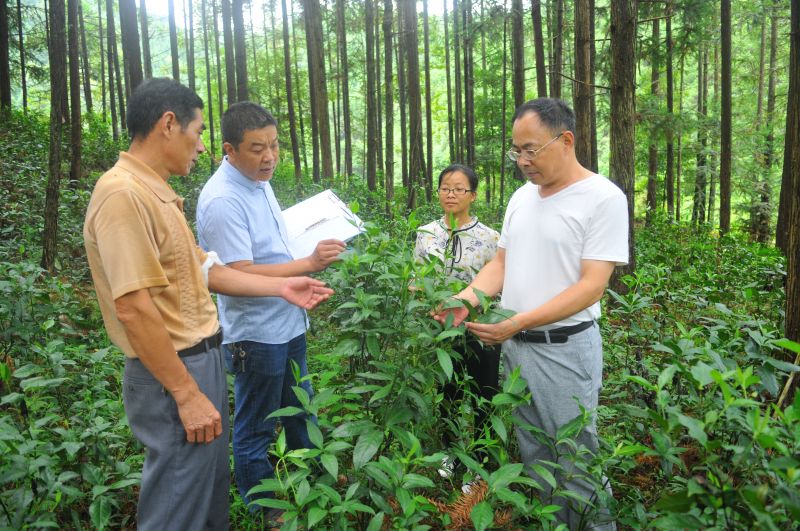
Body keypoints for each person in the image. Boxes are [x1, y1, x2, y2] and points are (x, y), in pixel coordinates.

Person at [83, 78, 333, 531]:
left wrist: (282, 287)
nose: (201, 147)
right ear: (168, 124)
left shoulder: (155, 193)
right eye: (197, 133)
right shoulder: (123, 195)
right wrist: (185, 392)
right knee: (179, 503)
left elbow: (205, 269)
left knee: (203, 495)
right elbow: (134, 308)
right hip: (174, 369)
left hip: (201, 358)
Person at [435, 98, 628, 530]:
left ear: (566, 140)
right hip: (518, 349)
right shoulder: (521, 198)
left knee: (575, 456)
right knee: (537, 455)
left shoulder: (602, 198)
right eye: (515, 151)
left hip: (564, 348)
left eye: (530, 150)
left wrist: (517, 321)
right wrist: (463, 300)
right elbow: (501, 264)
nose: (522, 161)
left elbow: (592, 285)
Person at [196, 102, 346, 516]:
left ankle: (316, 487)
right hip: (256, 334)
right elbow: (239, 273)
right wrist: (309, 264)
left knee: (300, 408)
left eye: (275, 145)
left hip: (287, 323)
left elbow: (268, 246)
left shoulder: (258, 181)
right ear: (229, 149)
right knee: (256, 427)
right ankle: (269, 510)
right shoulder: (223, 200)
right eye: (257, 148)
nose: (269, 157)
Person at [413, 164, 500, 485]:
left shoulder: (490, 238)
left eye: (459, 188)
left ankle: (480, 462)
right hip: (440, 331)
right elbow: (415, 279)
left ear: (473, 196)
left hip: (481, 330)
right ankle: (449, 453)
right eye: (445, 187)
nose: (450, 194)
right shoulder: (425, 233)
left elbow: (499, 283)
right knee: (448, 393)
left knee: (483, 395)